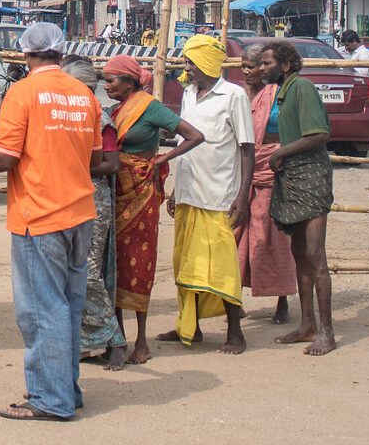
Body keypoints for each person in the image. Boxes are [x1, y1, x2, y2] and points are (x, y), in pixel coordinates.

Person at [0, 23, 108, 422]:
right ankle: (67, 388)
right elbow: (94, 163)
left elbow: (5, 157)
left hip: (38, 215)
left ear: (26, 54)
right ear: (61, 52)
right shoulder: (84, 95)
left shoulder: (23, 93)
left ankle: (50, 399)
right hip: (80, 214)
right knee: (69, 305)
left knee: (42, 310)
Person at [100, 53, 205, 365]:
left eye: (112, 80)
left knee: (140, 263)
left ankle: (142, 341)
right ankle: (117, 338)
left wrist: (161, 159)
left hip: (142, 193)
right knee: (113, 263)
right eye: (105, 80)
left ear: (130, 82)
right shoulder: (115, 110)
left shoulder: (150, 107)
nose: (107, 86)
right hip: (115, 190)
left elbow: (195, 136)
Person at [156, 34, 254, 354]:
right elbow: (187, 146)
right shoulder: (188, 94)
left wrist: (242, 196)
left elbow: (246, 148)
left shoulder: (234, 96)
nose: (187, 69)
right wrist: (174, 190)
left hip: (218, 194)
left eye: (191, 63)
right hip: (188, 192)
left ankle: (236, 332)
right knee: (186, 262)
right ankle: (190, 326)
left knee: (222, 266)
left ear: (207, 64)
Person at [261, 41, 339, 355]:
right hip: (292, 175)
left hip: (311, 175)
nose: (264, 67)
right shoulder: (284, 91)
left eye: (268, 62)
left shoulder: (302, 89)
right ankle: (308, 325)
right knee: (300, 256)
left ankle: (327, 332)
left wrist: (281, 151)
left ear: (286, 64)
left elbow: (318, 134)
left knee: (315, 257)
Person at [61, 55, 127, 369]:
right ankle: (88, 344)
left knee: (88, 271)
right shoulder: (70, 114)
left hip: (93, 198)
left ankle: (116, 341)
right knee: (72, 271)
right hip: (68, 195)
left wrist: (75, 163)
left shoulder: (100, 118)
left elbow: (112, 164)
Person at [235, 43, 297, 324]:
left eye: (256, 66)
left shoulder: (280, 95)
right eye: (245, 67)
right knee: (235, 236)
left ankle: (281, 299)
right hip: (240, 171)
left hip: (272, 171)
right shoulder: (237, 94)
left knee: (273, 236)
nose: (250, 72)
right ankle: (232, 300)